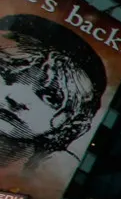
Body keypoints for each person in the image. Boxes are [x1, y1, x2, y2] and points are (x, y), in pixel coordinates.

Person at [0, 14, 109, 168]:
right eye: (6, 73)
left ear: (73, 123)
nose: (18, 99)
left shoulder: (49, 177)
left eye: (51, 97)